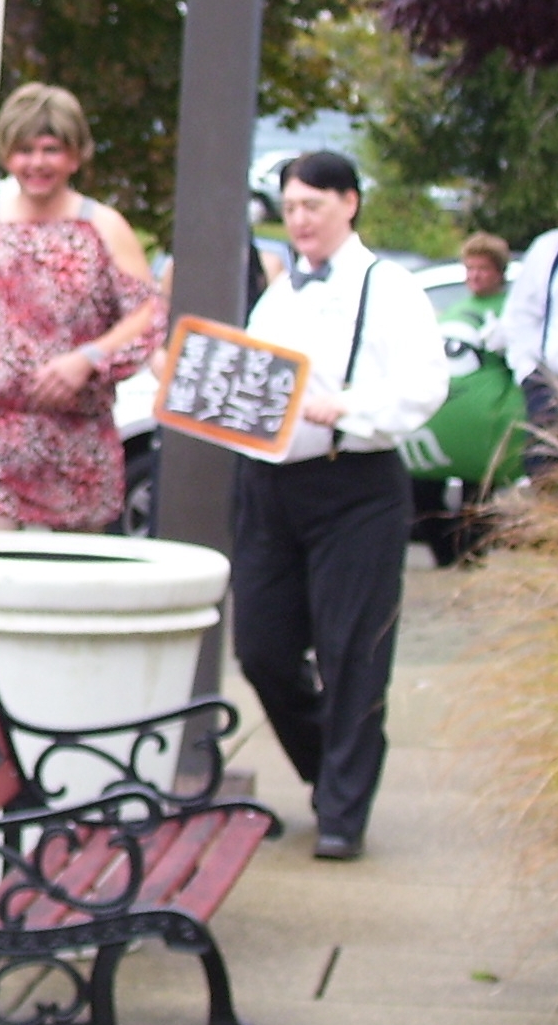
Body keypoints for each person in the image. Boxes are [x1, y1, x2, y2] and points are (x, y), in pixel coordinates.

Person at [235, 151, 445, 862]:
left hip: (353, 487)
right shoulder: (279, 294)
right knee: (260, 649)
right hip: (270, 488)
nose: (299, 219)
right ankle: (329, 768)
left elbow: (423, 386)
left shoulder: (389, 289)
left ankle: (343, 812)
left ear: (348, 203)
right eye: (291, 207)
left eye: (312, 206)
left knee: (351, 651)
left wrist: (349, 406)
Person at [0, 82, 167, 531]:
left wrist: (89, 359)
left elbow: (147, 316)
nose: (38, 163)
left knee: (71, 572)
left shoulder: (103, 228)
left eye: (51, 150)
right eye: (24, 150)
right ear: (7, 155)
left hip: (79, 443)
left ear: (75, 156)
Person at [406, 232, 524, 566]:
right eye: (470, 268)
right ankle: (447, 555)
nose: (474, 276)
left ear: (499, 272)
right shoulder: (456, 309)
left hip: (485, 431)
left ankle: (469, 556)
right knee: (422, 491)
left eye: (482, 269)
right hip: (441, 425)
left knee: (478, 498)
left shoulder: (513, 311)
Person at [503, 224, 558, 477]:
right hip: (551, 392)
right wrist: (530, 375)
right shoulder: (549, 249)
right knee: (546, 477)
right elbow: (520, 317)